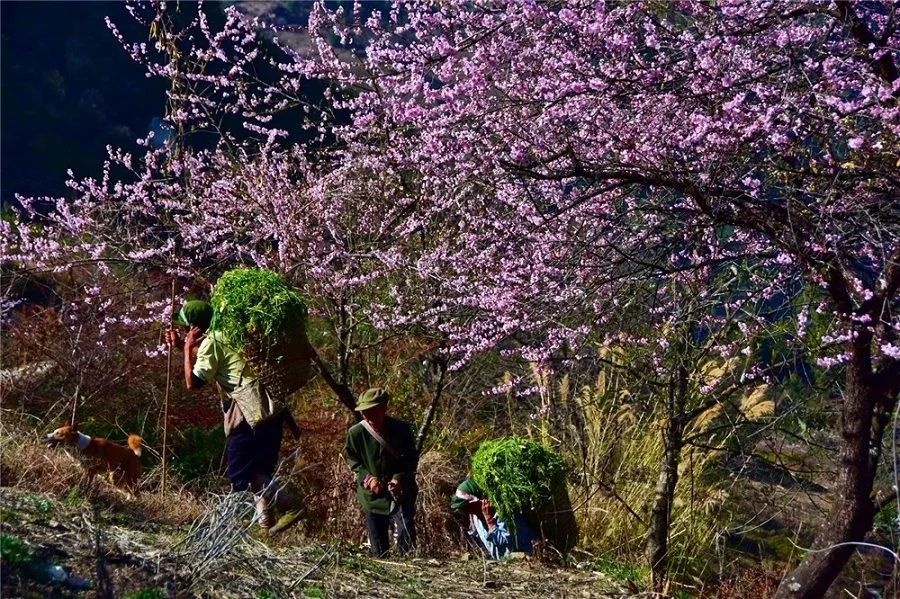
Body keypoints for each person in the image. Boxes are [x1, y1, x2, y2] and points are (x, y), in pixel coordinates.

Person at [166, 300, 301, 535]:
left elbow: (193, 383)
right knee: (259, 472)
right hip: (271, 410)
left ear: (193, 328)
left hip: (249, 414)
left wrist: (186, 349)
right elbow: (217, 361)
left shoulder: (210, 343)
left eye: (185, 328)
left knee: (241, 472)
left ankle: (291, 505)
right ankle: (265, 529)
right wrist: (182, 347)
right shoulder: (227, 335)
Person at [344, 388, 418, 557]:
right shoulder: (356, 433)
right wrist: (368, 479)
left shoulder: (402, 429)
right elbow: (353, 460)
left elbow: (410, 459)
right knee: (378, 543)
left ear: (384, 408)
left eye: (372, 411)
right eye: (364, 412)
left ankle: (406, 563)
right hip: (372, 495)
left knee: (405, 531)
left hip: (401, 491)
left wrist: (398, 478)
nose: (368, 416)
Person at [450, 479, 536, 560]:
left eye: (467, 506)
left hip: (525, 558)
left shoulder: (502, 512)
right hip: (503, 562)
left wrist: (490, 520)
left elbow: (506, 543)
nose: (467, 510)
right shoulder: (475, 517)